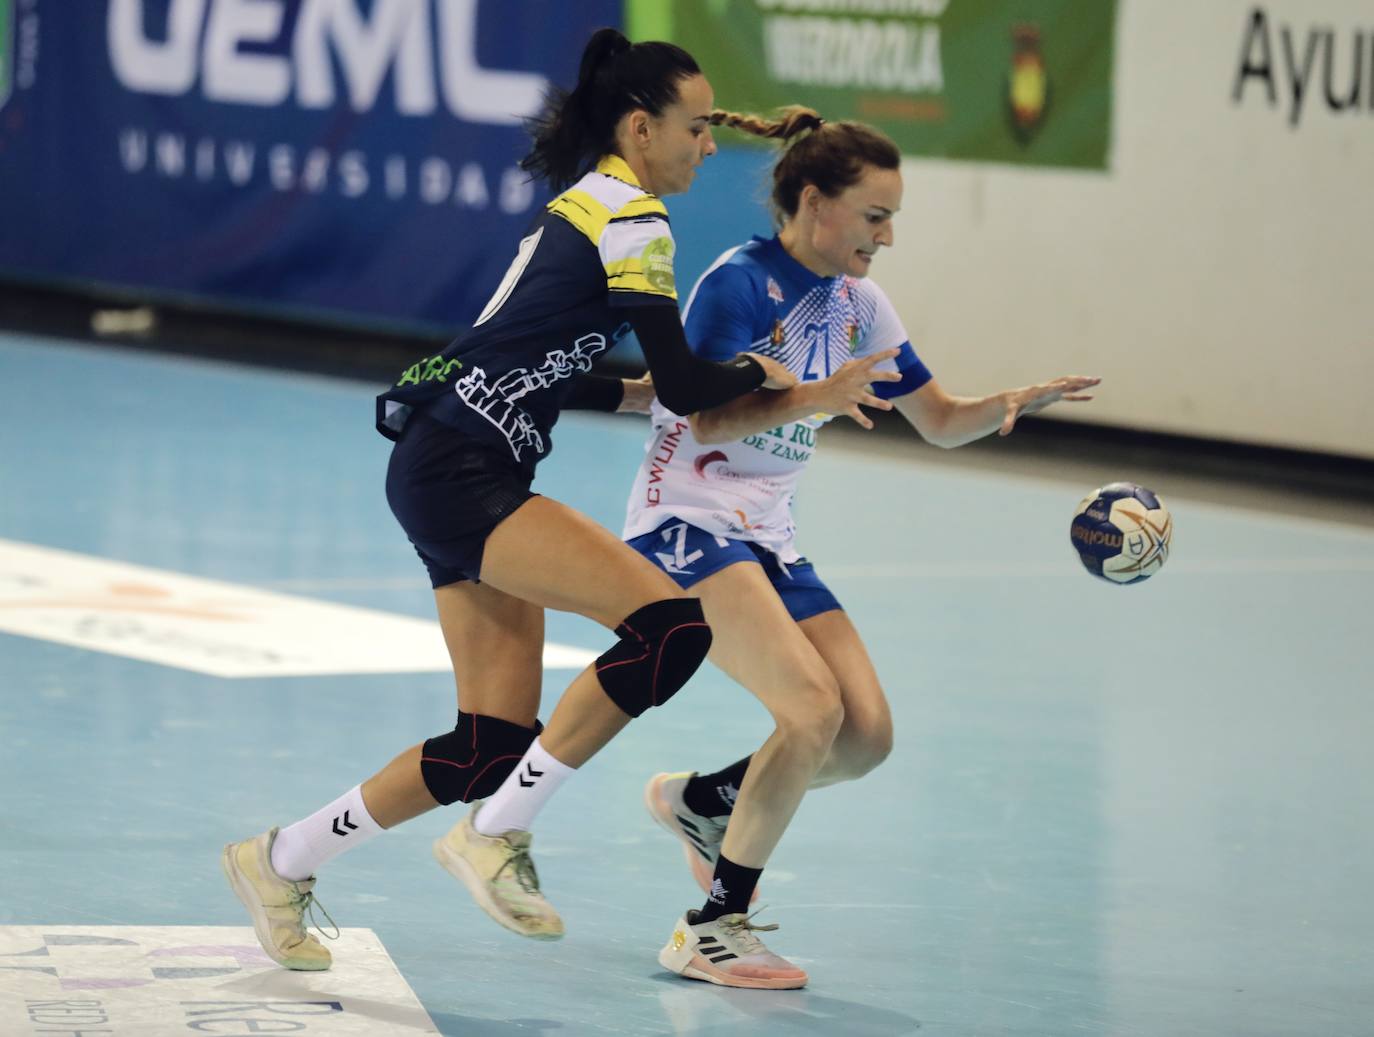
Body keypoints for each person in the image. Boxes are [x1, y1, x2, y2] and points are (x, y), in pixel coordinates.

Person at [219, 28, 796, 972]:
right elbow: (694, 386)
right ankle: (499, 832)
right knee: (670, 627)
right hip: (465, 473)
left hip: (451, 460)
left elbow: (530, 358)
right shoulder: (637, 220)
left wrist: (621, 392)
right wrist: (754, 371)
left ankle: (281, 859)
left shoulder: (589, 202)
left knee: (489, 739)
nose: (709, 145)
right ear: (642, 128)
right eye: (696, 128)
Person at [621, 107, 1101, 989]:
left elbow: (942, 421)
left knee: (864, 736)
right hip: (686, 521)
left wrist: (1012, 402)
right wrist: (815, 396)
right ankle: (713, 927)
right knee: (810, 709)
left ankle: (703, 801)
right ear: (816, 201)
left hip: (769, 534)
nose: (886, 238)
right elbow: (704, 413)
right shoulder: (737, 282)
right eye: (875, 216)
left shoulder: (860, 302)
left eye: (893, 220)